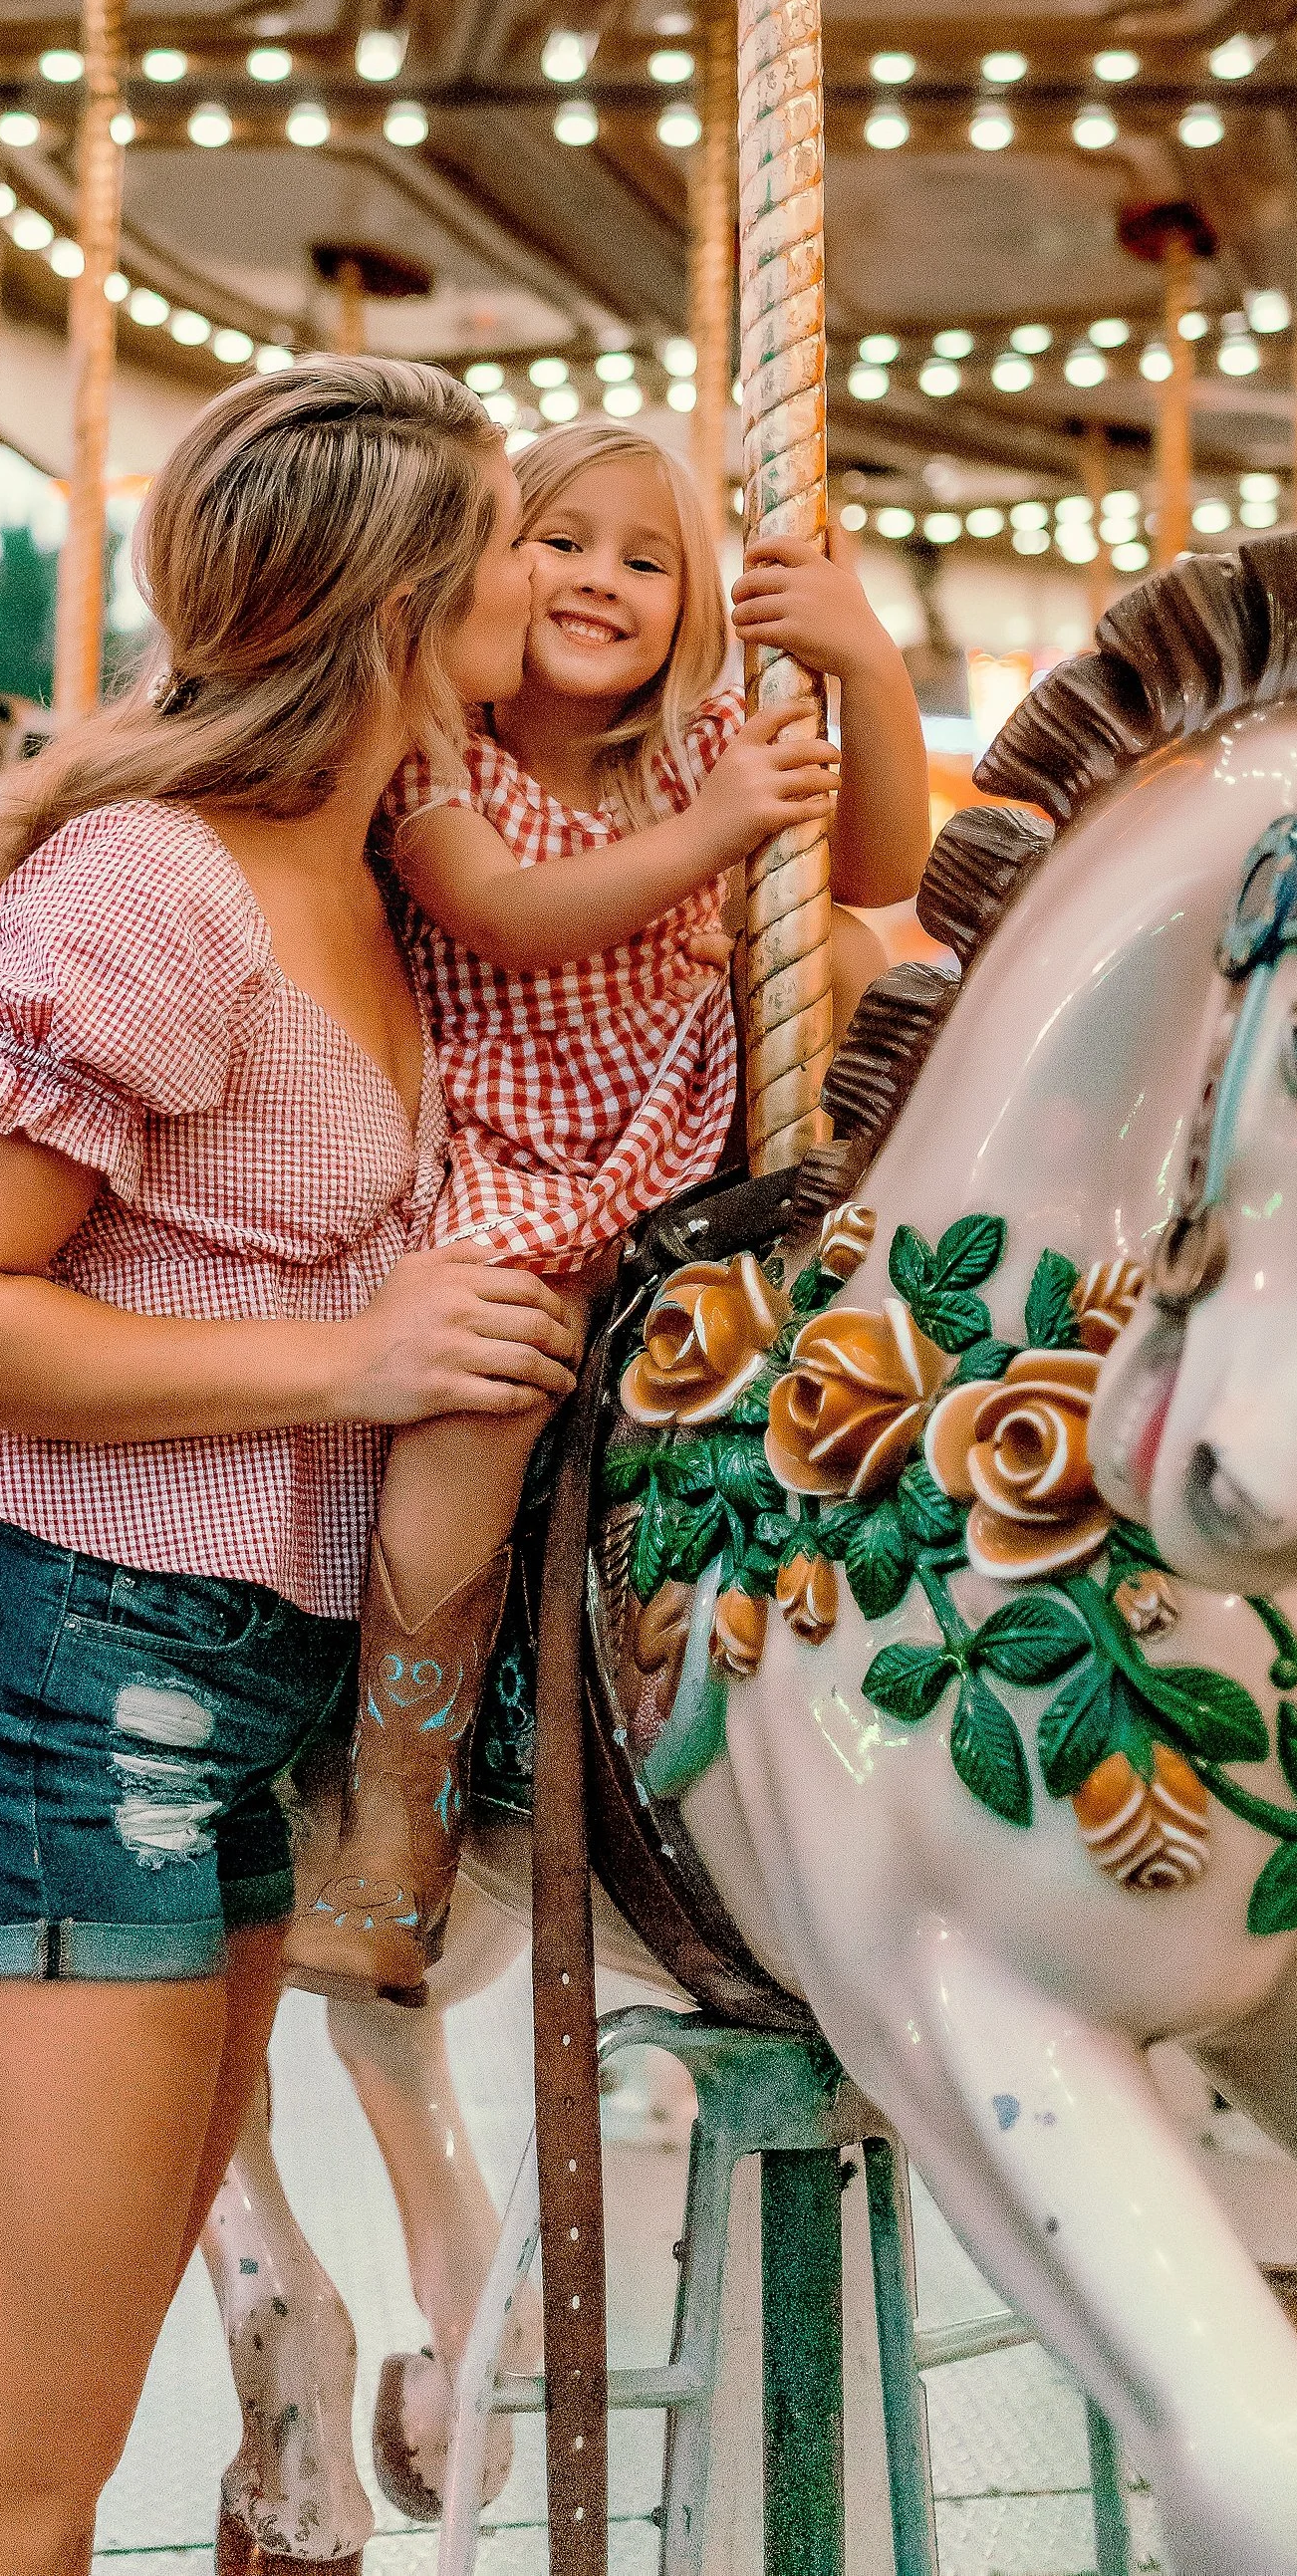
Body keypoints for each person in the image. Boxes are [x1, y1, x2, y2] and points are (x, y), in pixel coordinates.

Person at [0, 360, 579, 2576]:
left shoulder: (363, 885)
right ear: (404, 593)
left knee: (56, 2457)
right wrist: (356, 1357)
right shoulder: (161, 886)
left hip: (214, 1707)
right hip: (51, 1689)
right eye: (510, 542)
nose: (541, 583)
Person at [287, 423, 930, 1996]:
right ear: (495, 576)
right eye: (560, 541)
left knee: (868, 972)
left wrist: (864, 663)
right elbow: (501, 916)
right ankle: (398, 1827)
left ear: (695, 602)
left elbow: (878, 859)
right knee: (483, 1391)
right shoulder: (445, 756)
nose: (599, 579)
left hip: (701, 1150)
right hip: (518, 1166)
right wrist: (713, 832)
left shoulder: (706, 731)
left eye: (647, 560)